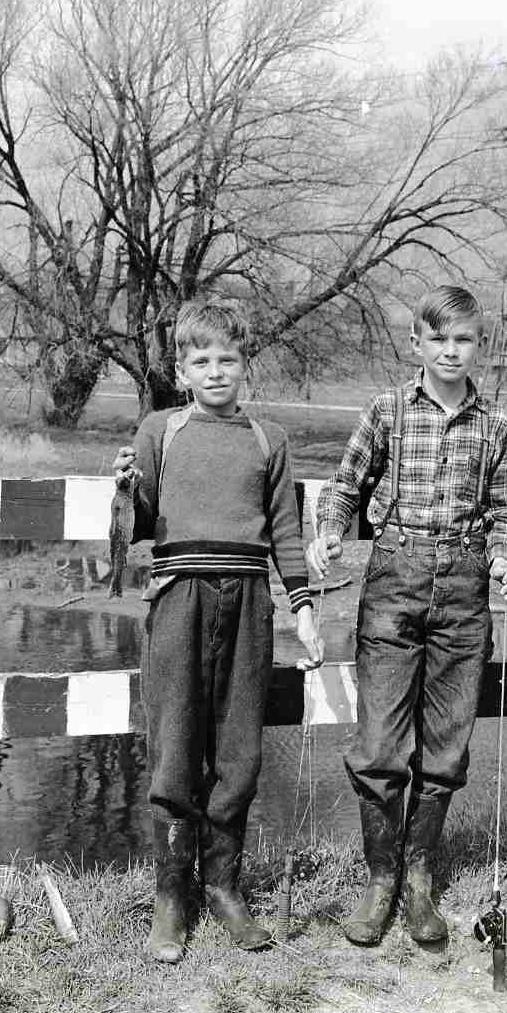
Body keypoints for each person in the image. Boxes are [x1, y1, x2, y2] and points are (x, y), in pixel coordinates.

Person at [307, 284, 507, 947]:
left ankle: (421, 883)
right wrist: (329, 528)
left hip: (464, 598)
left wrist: (506, 557)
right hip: (394, 586)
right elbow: (346, 483)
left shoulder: (495, 428)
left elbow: (505, 512)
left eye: (463, 340)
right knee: (379, 745)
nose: (450, 351)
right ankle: (380, 883)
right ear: (417, 344)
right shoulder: (387, 412)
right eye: (438, 339)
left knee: (445, 744)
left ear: (477, 346)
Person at [111, 297, 324, 965]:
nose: (215, 371)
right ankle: (173, 897)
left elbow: (288, 534)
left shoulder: (269, 442)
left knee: (239, 754)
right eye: (200, 360)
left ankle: (225, 885)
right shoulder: (159, 431)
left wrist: (307, 610)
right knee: (175, 748)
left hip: (250, 604)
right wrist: (124, 491)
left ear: (245, 367)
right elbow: (131, 530)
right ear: (181, 371)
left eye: (227, 359)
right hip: (178, 602)